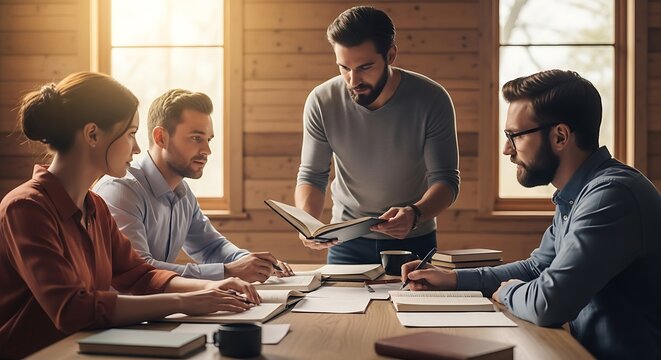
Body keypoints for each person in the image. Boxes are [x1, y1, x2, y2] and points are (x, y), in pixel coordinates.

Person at [401, 70, 661, 359]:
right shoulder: (578, 194)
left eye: (515, 135)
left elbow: (549, 303)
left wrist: (510, 292)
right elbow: (537, 269)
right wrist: (452, 279)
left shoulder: (611, 196)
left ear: (560, 136)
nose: (506, 149)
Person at [0, 72, 261, 359]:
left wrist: (211, 286)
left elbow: (140, 275)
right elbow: (72, 309)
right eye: (131, 134)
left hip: (86, 350)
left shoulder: (95, 206)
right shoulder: (26, 208)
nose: (137, 148)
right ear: (92, 135)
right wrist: (186, 301)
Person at [295, 6, 460, 264]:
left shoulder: (432, 99)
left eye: (365, 67)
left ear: (391, 55)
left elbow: (447, 181)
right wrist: (308, 222)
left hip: (414, 240)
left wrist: (415, 214)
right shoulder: (321, 101)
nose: (353, 80)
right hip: (344, 243)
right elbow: (312, 176)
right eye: (344, 68)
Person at [93, 89, 293, 283]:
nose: (207, 150)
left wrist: (255, 263)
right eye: (196, 138)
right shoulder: (120, 190)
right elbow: (140, 270)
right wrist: (229, 271)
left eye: (208, 140)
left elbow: (211, 247)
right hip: (124, 313)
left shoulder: (182, 192)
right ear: (161, 137)